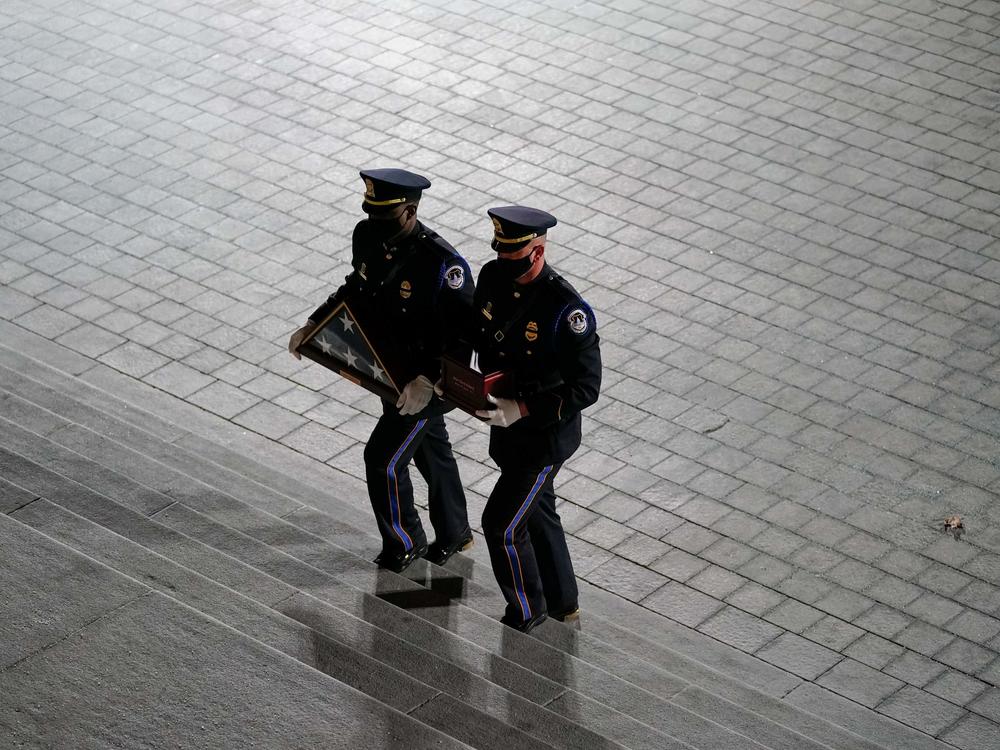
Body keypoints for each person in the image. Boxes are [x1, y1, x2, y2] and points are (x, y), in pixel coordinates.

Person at [289, 168, 475, 573]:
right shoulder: (367, 234)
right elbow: (356, 288)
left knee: (383, 459)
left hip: (427, 385)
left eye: (385, 216)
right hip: (391, 373)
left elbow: (462, 339)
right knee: (432, 453)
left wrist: (428, 381)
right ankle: (456, 531)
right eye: (371, 212)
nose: (376, 223)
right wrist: (315, 323)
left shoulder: (444, 265)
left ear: (410, 212)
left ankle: (404, 542)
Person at [462, 206, 601, 632]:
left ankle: (527, 609)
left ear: (537, 252)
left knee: (501, 523)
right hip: (505, 430)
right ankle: (564, 602)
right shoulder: (491, 277)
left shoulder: (566, 310)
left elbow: (586, 388)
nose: (505, 263)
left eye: (515, 256)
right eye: (501, 253)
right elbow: (476, 334)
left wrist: (521, 408)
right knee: (538, 511)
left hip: (544, 437)